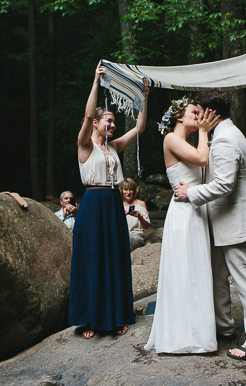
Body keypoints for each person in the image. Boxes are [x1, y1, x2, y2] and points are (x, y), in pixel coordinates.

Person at [173, 90, 246, 361]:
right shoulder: (226, 134)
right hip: (222, 220)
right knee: (217, 277)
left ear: (211, 113)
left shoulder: (226, 139)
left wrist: (191, 194)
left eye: (198, 111)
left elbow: (226, 184)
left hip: (236, 220)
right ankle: (224, 326)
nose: (195, 116)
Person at [69, 61, 149, 339]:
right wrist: (95, 82)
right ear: (95, 123)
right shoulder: (85, 145)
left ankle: (116, 315)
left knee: (114, 258)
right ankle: (90, 319)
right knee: (92, 258)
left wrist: (143, 96)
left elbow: (140, 127)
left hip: (112, 205)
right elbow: (88, 112)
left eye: (114, 121)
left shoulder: (113, 147)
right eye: (109, 120)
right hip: (92, 205)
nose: (113, 124)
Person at [145, 98, 220, 354]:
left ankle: (198, 332)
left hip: (196, 209)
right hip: (184, 213)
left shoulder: (187, 141)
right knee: (184, 271)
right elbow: (202, 160)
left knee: (197, 271)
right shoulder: (170, 139)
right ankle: (180, 335)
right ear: (178, 117)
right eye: (194, 112)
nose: (200, 117)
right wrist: (204, 132)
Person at [120, 178, 150, 251]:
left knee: (123, 240)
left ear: (134, 191)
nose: (128, 192)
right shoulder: (118, 204)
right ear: (122, 191)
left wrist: (139, 216)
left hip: (136, 236)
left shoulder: (141, 204)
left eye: (130, 190)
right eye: (125, 190)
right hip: (121, 234)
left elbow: (146, 226)